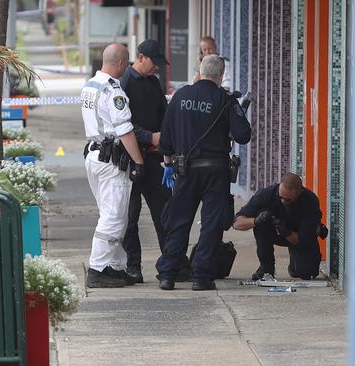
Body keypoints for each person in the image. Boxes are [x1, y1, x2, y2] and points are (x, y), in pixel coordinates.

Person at [156, 55, 251, 291]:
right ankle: (201, 277)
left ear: (200, 71)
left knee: (179, 222)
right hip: (216, 171)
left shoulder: (179, 96)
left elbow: (165, 141)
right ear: (220, 76)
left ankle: (168, 274)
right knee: (211, 224)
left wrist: (169, 164)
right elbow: (243, 135)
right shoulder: (225, 99)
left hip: (184, 170)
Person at [80, 43, 145, 288]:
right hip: (111, 162)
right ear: (119, 64)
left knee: (113, 215)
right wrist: (138, 161)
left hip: (95, 157)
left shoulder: (90, 85)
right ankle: (98, 269)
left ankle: (114, 267)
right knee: (114, 218)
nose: (127, 67)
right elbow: (125, 129)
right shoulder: (112, 90)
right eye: (126, 63)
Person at [118, 39, 171, 283]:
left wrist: (165, 138)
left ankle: (172, 263)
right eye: (154, 62)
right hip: (129, 160)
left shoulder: (153, 82)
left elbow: (164, 115)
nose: (157, 67)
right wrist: (151, 136)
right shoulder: (124, 84)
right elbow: (122, 125)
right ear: (141, 57)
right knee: (130, 217)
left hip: (153, 158)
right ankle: (133, 267)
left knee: (165, 213)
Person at [233, 173, 324, 281]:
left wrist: (287, 233)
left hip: (298, 236)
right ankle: (266, 267)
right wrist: (256, 220)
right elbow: (236, 223)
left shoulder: (310, 201)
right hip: (272, 233)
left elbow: (305, 238)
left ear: (299, 192)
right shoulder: (266, 194)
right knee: (262, 220)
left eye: (288, 199)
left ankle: (295, 264)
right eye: (280, 197)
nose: (283, 201)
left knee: (308, 273)